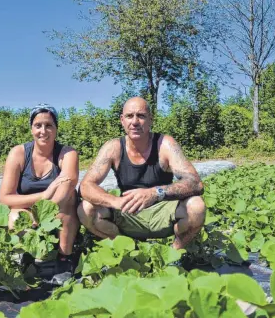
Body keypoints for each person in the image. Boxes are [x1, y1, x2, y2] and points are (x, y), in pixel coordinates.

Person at [78, 97, 206, 249]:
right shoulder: (113, 147)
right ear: (122, 120)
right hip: (127, 211)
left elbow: (195, 183)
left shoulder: (165, 144)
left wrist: (155, 193)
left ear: (151, 119)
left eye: (141, 116)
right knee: (85, 209)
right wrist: (115, 201)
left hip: (163, 210)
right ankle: (128, 249)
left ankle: (174, 254)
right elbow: (86, 186)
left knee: (196, 206)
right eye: (129, 116)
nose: (135, 122)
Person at [0, 103, 79, 277]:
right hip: (28, 210)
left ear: (56, 128)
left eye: (49, 125)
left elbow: (67, 188)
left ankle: (65, 257)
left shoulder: (67, 154)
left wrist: (43, 212)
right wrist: (44, 194)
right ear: (31, 129)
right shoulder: (18, 153)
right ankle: (29, 256)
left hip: (58, 212)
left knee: (70, 197)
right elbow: (5, 198)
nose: (43, 131)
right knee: (15, 217)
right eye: (38, 126)